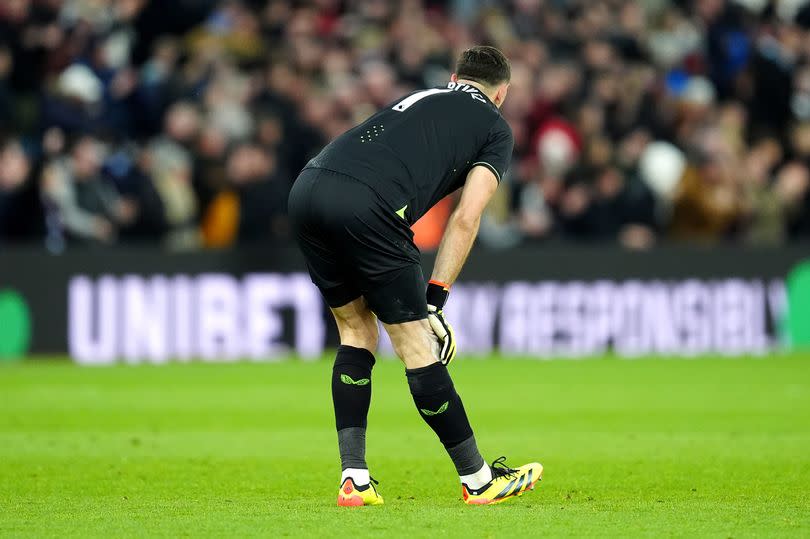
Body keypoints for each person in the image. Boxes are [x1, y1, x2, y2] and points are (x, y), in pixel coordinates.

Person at [288, 46, 542, 506]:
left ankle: (355, 479)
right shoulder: (494, 127)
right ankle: (479, 480)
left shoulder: (423, 96)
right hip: (367, 204)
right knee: (415, 343)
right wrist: (435, 299)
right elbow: (466, 217)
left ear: (454, 78)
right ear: (501, 94)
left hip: (308, 186)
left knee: (355, 330)